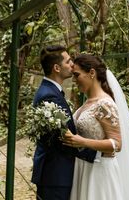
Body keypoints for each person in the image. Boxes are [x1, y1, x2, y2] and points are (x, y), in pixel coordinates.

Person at [63, 54, 129, 199]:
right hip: (83, 168)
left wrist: (82, 142)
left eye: (77, 75)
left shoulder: (105, 104)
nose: (74, 80)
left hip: (99, 171)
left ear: (92, 73)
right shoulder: (87, 103)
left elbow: (116, 144)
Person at [31, 45, 97, 200]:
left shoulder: (51, 91)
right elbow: (63, 140)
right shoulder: (49, 95)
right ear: (56, 68)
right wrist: (97, 154)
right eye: (68, 62)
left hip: (55, 173)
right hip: (55, 175)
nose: (72, 65)